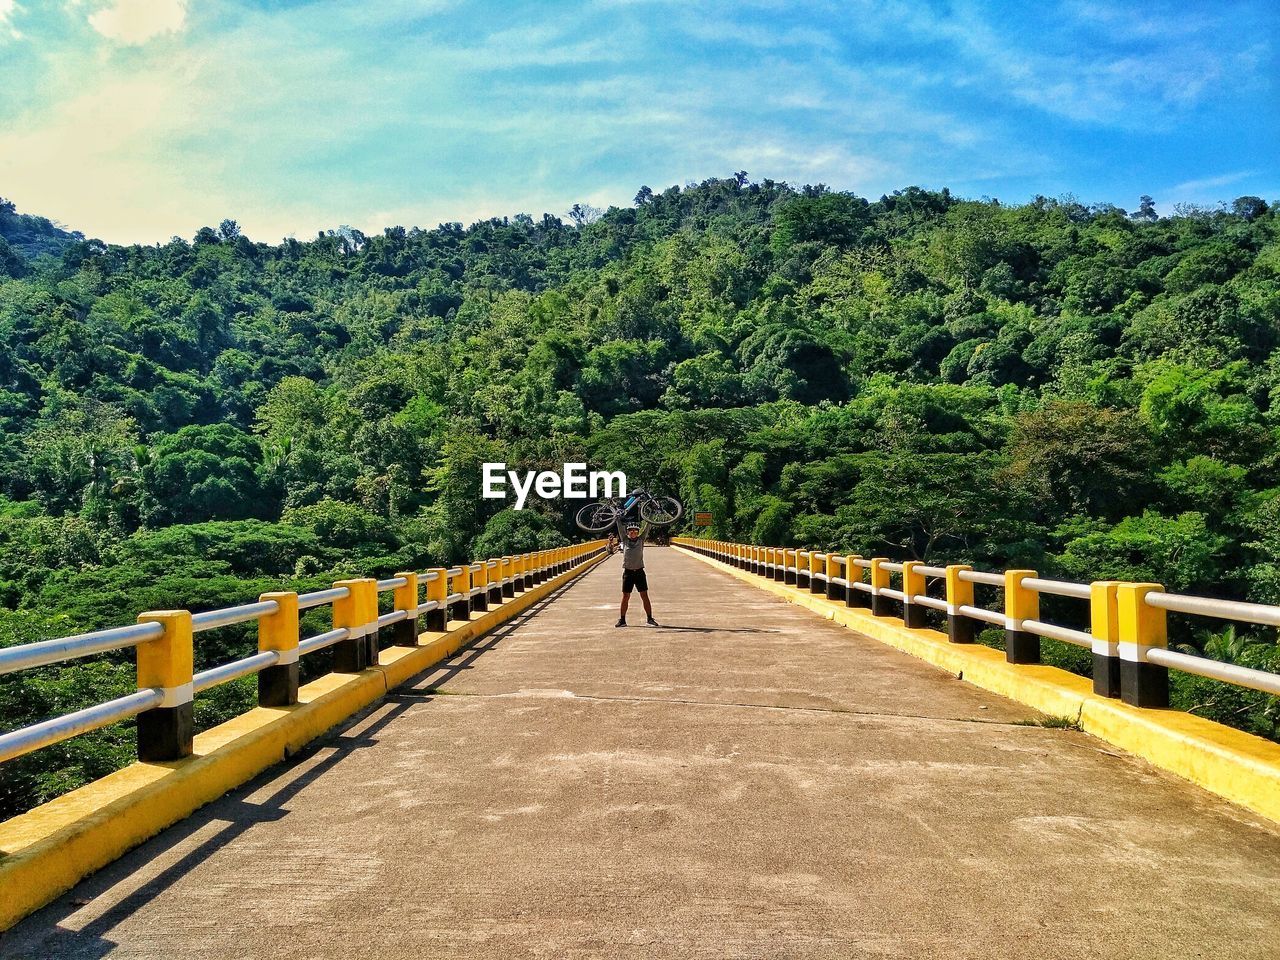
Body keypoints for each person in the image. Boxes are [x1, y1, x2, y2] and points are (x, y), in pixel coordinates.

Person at [615, 516, 657, 627]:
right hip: (628, 573)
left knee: (644, 595)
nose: (633, 532)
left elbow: (647, 529)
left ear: (638, 532)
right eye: (631, 531)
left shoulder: (641, 540)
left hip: (639, 572)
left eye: (635, 531)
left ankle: (649, 618)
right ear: (628, 532)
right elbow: (620, 529)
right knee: (625, 596)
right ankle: (622, 620)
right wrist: (618, 519)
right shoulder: (625, 539)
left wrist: (649, 519)